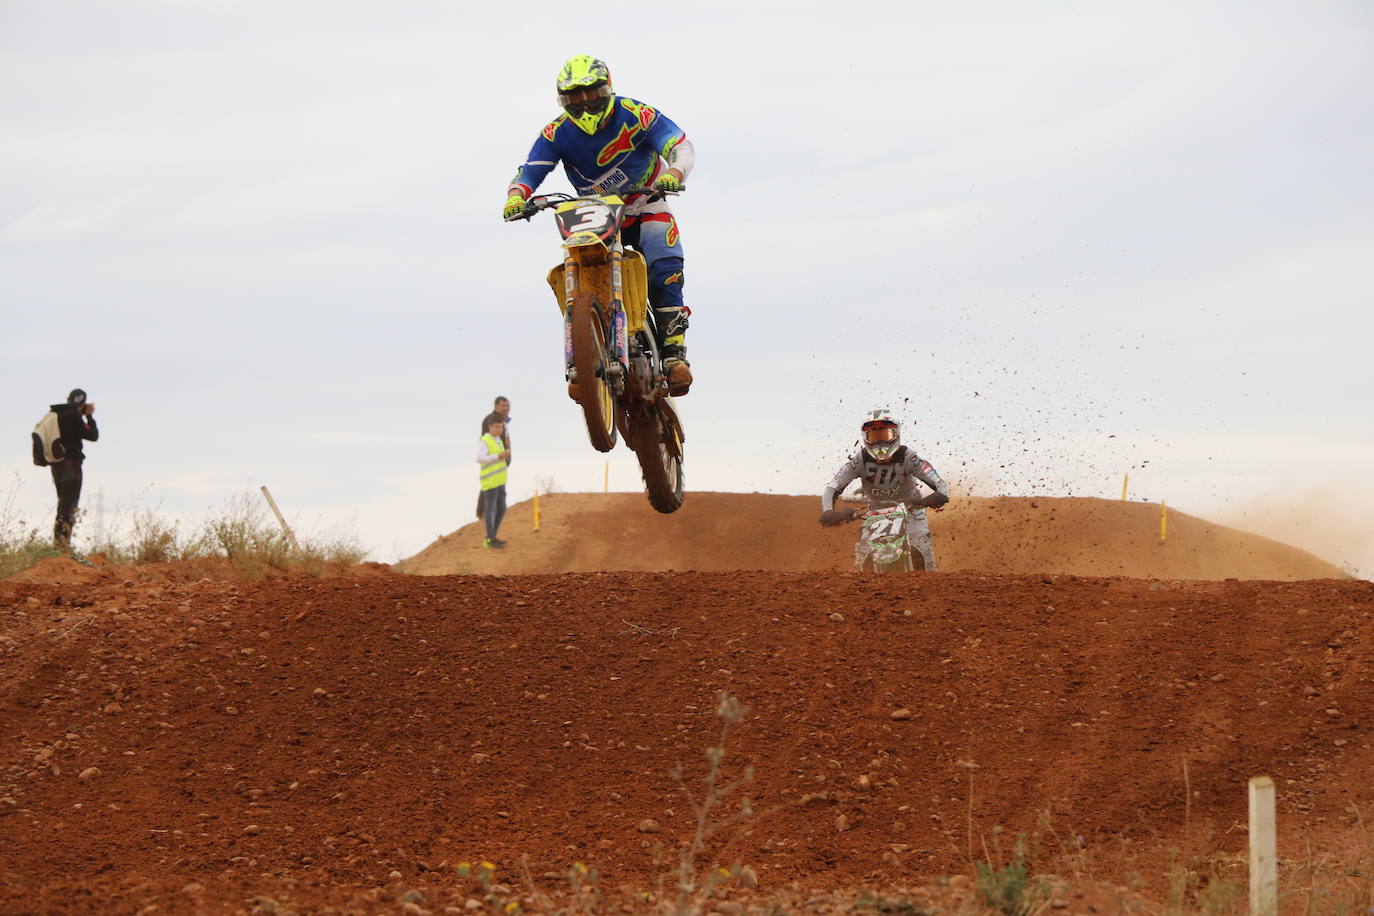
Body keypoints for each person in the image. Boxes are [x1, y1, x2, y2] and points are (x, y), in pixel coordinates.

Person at [503, 54, 696, 396]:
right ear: (563, 100)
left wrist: (673, 173)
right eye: (574, 98)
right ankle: (584, 354)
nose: (584, 103)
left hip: (645, 201)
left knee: (662, 256)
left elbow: (679, 145)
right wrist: (518, 195)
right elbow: (530, 169)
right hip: (596, 214)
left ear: (607, 88)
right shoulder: (557, 132)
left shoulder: (637, 114)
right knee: (577, 261)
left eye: (591, 94)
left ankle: (673, 352)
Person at [819, 410, 950, 571]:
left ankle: (930, 585)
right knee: (863, 555)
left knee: (920, 544)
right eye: (874, 437)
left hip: (911, 511)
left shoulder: (908, 456)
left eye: (885, 435)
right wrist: (828, 511)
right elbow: (832, 486)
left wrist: (937, 496)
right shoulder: (860, 459)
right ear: (865, 438)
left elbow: (938, 482)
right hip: (875, 514)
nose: (880, 443)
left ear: (896, 434)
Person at [48, 388, 99, 552]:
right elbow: (93, 435)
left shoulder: (56, 414)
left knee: (62, 502)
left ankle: (59, 543)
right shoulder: (74, 416)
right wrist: (89, 416)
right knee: (70, 504)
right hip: (72, 464)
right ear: (82, 403)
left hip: (57, 465)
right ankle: (62, 545)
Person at [477, 413, 511, 549]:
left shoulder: (498, 439)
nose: (499, 430)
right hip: (490, 482)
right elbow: (479, 458)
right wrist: (498, 456)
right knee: (490, 511)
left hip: (500, 481)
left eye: (501, 427)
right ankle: (489, 539)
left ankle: (493, 536)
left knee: (501, 509)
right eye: (497, 427)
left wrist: (504, 456)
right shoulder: (485, 440)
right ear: (490, 427)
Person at [475, 397, 513, 520]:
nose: (506, 408)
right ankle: (482, 513)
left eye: (507, 405)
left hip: (502, 460)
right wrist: (497, 456)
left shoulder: (504, 422)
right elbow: (486, 440)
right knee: (489, 487)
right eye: (503, 405)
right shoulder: (491, 420)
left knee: (498, 486)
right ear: (496, 406)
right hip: (493, 460)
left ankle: (491, 512)